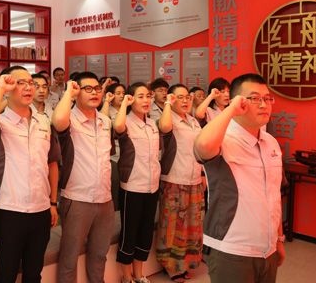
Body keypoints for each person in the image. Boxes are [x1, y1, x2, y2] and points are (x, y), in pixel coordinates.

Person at [194, 73, 285, 283]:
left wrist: (278, 239)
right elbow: (203, 146)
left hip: (267, 249)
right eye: (254, 98)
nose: (264, 104)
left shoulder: (271, 143)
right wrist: (231, 110)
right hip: (232, 250)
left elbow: (273, 195)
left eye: (267, 98)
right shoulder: (223, 139)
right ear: (238, 102)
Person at [0, 66, 60, 283]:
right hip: (9, 209)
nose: (28, 88)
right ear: (8, 88)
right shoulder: (0, 122)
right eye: (20, 83)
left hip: (41, 208)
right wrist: (0, 89)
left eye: (30, 83)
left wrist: (53, 202)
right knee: (7, 271)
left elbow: (52, 163)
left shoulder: (43, 121)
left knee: (34, 272)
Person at [51, 71, 115, 283]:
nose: (94, 93)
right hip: (77, 198)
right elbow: (57, 122)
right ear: (77, 91)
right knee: (70, 257)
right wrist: (68, 93)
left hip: (105, 199)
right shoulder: (69, 119)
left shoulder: (105, 121)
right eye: (88, 89)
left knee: (99, 254)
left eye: (97, 89)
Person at [113, 83, 166, 283]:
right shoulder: (125, 121)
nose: (146, 100)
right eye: (140, 96)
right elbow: (118, 127)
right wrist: (124, 104)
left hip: (152, 186)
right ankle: (127, 277)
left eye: (148, 96)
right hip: (132, 186)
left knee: (145, 232)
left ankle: (139, 274)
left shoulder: (152, 124)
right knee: (130, 232)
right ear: (130, 99)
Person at [155, 84, 205, 282]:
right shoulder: (168, 119)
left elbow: (200, 148)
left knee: (192, 224)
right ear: (171, 99)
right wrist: (168, 103)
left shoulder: (193, 121)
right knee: (172, 225)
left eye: (187, 97)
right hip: (174, 179)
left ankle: (188, 262)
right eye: (180, 97)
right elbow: (164, 127)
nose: (185, 101)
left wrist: (203, 174)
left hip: (194, 179)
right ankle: (171, 266)